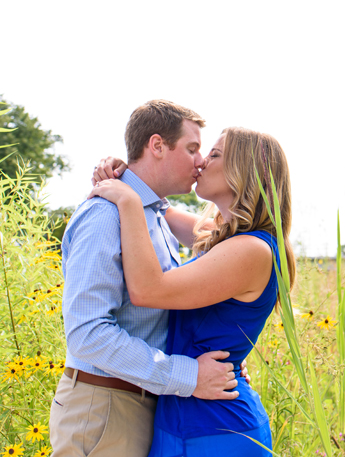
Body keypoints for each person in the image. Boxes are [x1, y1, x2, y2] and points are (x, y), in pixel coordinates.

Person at [89, 125, 296, 456]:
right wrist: (125, 174)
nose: (201, 162)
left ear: (243, 171)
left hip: (217, 425)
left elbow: (147, 290)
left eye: (213, 154)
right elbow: (161, 210)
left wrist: (126, 200)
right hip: (184, 414)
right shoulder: (225, 237)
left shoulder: (251, 250)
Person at [50, 101, 241, 457]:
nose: (200, 161)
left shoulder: (153, 215)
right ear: (156, 145)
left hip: (137, 402)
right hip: (105, 406)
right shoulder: (106, 214)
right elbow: (87, 334)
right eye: (192, 148)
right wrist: (189, 375)